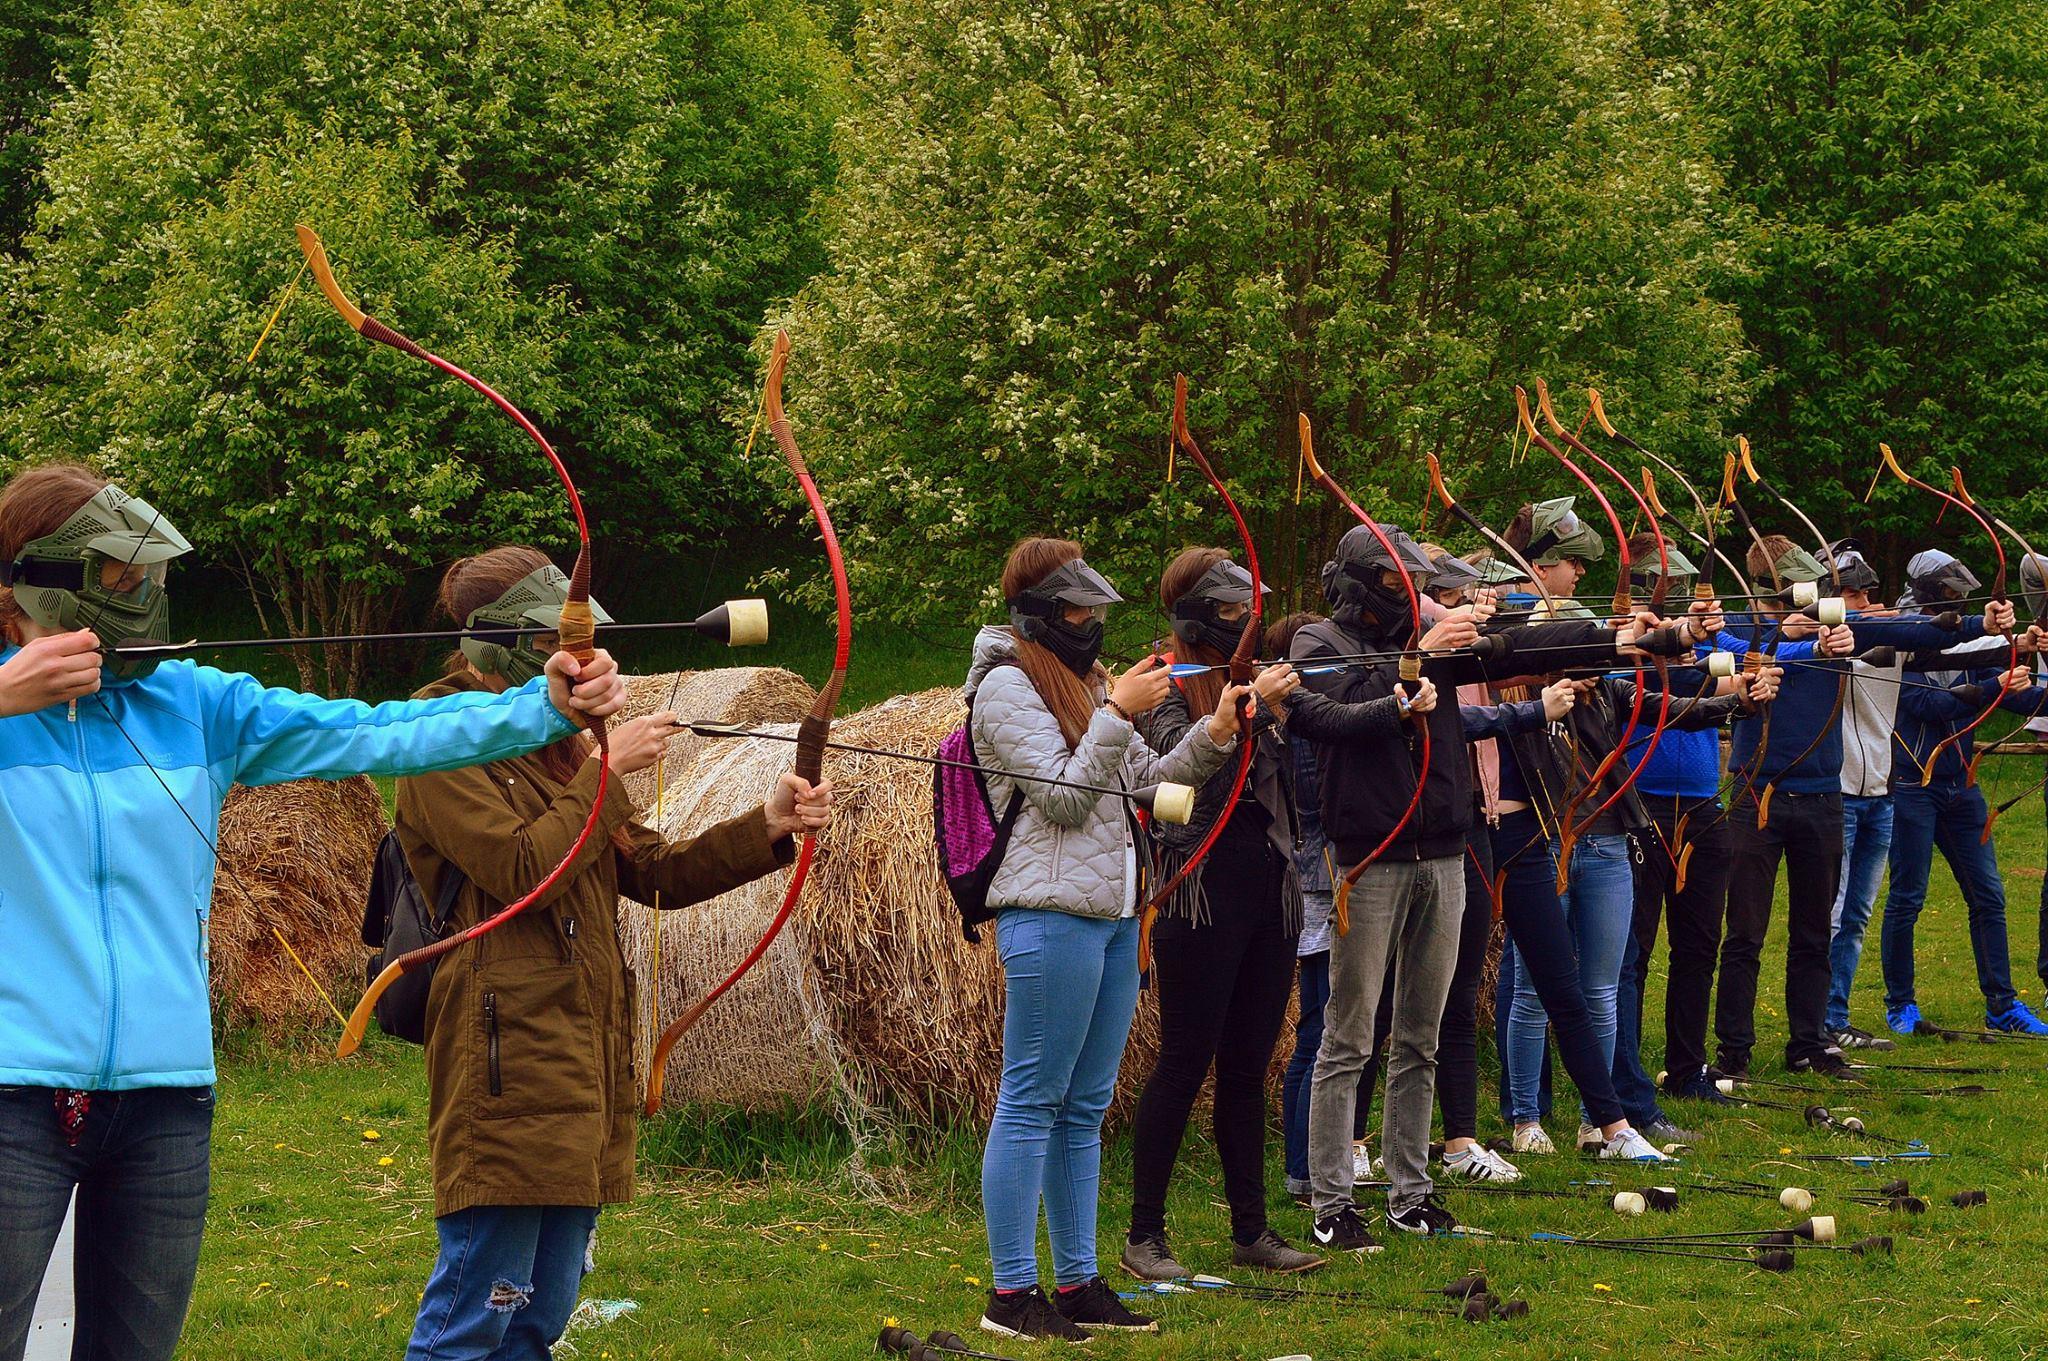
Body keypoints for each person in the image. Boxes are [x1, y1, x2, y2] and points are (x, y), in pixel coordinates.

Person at [0, 465, 626, 1361]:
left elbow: (379, 731)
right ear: (40, 578)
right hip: (15, 1094)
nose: (141, 595)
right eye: (118, 576)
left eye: (147, 576)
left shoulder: (194, 703)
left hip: (164, 1099)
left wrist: (543, 704)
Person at [396, 547, 835, 1360]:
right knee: (475, 1315)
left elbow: (654, 870)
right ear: (500, 642)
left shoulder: (559, 740)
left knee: (539, 1317)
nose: (574, 661)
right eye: (553, 643)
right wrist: (606, 770)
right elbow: (523, 867)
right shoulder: (436, 737)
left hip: (583, 1053)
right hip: (503, 1054)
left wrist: (768, 823)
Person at [1285, 520, 1683, 1252]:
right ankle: (1332, 1200)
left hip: (1444, 852)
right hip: (1369, 859)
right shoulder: (1321, 643)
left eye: (1415, 581)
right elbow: (1327, 716)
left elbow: (1521, 649)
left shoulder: (1432, 643)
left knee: (1422, 1033)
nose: (1411, 592)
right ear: (1361, 584)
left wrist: (1625, 639)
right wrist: (1412, 670)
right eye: (1397, 581)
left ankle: (1411, 1194)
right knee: (1349, 1037)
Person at [967, 538, 1245, 1342]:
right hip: (1050, 913)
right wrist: (1118, 712)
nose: (1091, 622)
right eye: (1078, 609)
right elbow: (1062, 797)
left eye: (1094, 608)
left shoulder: (1086, 682)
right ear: (1039, 612)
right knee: (1031, 1100)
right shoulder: (1005, 687)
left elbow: (1149, 784)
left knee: (1084, 1106)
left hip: (1117, 915)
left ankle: (1079, 1282)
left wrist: (1216, 730)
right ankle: (1010, 1294)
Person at [1495, 507, 1757, 1156]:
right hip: (1547, 843)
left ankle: (1600, 1118)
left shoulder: (1608, 689)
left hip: (1609, 841)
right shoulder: (1522, 683)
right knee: (1531, 989)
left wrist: (1732, 691)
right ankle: (1526, 1118)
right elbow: (1523, 654)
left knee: (1603, 986)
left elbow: (1669, 701)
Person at [1707, 534, 2011, 1076]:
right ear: (1770, 591)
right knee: (1745, 933)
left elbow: (1911, 630)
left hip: (1824, 795)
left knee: (1814, 932)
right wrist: (1793, 641)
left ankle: (1810, 1044)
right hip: (1758, 797)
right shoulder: (1742, 630)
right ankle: (1734, 1053)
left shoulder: (1837, 626)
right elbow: (1732, 654)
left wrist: (1978, 623)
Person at [1121, 549, 1314, 1279]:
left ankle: (1252, 1231)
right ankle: (1144, 1235)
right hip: (1198, 888)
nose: (1244, 623)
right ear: (1196, 616)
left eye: (1248, 610)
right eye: (1231, 611)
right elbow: (1175, 776)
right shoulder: (1162, 683)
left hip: (1270, 886)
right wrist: (1239, 710)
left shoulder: (1251, 677)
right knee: (1183, 1062)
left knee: (1247, 1066)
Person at [1879, 550, 2048, 1036]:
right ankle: (1901, 1004)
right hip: (1912, 785)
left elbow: (2021, 700)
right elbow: (1926, 704)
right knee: (1908, 898)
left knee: (1989, 896)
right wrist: (1996, 683)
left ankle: (2002, 1005)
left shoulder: (1965, 638)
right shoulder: (1899, 638)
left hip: (1960, 787)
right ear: (1930, 592)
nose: (1958, 599)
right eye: (1951, 592)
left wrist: (2029, 680)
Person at [1818, 540, 1901, 1051]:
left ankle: (1837, 1015)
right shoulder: (1820, 645)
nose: (1865, 603)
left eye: (1868, 594)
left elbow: (1951, 641)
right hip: (1840, 796)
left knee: (1857, 917)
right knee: (1832, 913)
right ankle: (1818, 1024)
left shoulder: (1893, 635)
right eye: (1853, 595)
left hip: (1881, 797)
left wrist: (2005, 636)